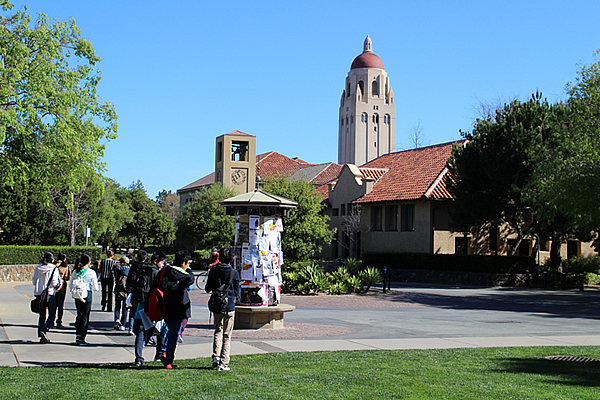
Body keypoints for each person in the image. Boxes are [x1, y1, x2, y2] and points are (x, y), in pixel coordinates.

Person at [205, 247, 240, 371]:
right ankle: (224, 362)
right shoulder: (233, 272)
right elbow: (237, 291)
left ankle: (216, 356)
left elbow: (207, 288)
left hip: (217, 305)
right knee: (227, 334)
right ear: (231, 259)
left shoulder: (214, 271)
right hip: (229, 305)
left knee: (218, 330)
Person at [159, 250, 195, 369]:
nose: (188, 266)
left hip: (165, 305)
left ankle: (163, 351)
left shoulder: (166, 271)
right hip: (177, 307)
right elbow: (190, 279)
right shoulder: (181, 274)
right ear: (183, 263)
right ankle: (168, 359)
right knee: (174, 334)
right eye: (188, 263)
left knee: (168, 331)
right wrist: (189, 271)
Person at [130, 250, 163, 367]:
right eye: (162, 263)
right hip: (152, 305)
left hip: (140, 305)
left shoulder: (141, 269)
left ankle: (138, 357)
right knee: (159, 330)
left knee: (140, 331)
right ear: (156, 261)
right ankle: (159, 354)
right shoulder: (155, 273)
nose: (162, 265)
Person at [69, 253, 99, 345]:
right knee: (85, 316)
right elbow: (96, 287)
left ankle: (77, 335)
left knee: (79, 314)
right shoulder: (91, 272)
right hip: (87, 294)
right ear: (89, 261)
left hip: (77, 294)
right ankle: (82, 337)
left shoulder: (75, 271)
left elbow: (71, 285)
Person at [32, 251, 61, 343]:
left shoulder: (38, 268)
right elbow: (54, 283)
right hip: (50, 294)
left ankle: (41, 332)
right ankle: (45, 328)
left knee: (42, 315)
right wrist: (58, 285)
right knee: (52, 314)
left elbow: (34, 281)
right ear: (52, 259)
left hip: (40, 294)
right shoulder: (54, 268)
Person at [113, 256, 132, 331]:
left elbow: (116, 278)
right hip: (126, 290)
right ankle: (123, 324)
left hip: (119, 289)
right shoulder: (130, 269)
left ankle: (117, 319)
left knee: (117, 306)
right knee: (125, 308)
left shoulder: (118, 269)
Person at [54, 253, 71, 328]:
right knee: (60, 305)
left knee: (53, 305)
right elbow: (67, 277)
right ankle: (59, 321)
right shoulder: (65, 266)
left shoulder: (53, 265)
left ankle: (51, 320)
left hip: (53, 287)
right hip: (61, 287)